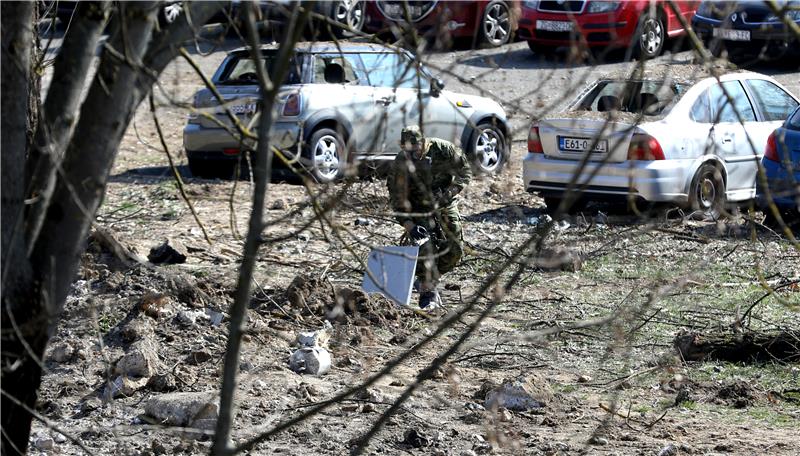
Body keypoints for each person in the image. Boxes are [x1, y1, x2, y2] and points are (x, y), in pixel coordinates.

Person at [387, 125, 472, 308]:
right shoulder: (400, 163)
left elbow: (465, 171)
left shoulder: (444, 149)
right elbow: (396, 197)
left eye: (416, 148)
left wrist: (450, 193)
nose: (413, 154)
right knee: (426, 248)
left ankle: (430, 279)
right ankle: (427, 289)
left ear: (424, 142)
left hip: (444, 202)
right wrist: (409, 224)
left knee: (455, 248)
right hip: (418, 208)